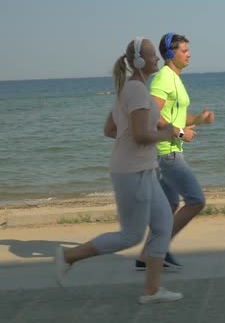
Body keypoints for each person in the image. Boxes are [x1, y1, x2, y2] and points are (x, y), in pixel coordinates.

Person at [54, 38, 183, 304]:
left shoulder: (133, 90)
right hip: (132, 172)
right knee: (131, 236)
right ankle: (68, 257)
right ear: (138, 61)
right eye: (151, 56)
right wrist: (166, 133)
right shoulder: (136, 91)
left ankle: (152, 291)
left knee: (162, 225)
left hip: (142, 168)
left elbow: (111, 130)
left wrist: (139, 143)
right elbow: (138, 135)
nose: (157, 59)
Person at [134, 32, 215, 271]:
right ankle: (156, 251)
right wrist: (180, 133)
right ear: (170, 54)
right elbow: (151, 115)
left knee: (170, 206)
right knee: (196, 201)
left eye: (189, 50)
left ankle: (144, 258)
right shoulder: (163, 79)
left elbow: (176, 117)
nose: (189, 54)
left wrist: (198, 120)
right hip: (166, 151)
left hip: (169, 150)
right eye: (184, 51)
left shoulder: (175, 79)